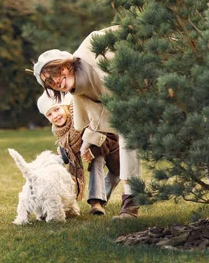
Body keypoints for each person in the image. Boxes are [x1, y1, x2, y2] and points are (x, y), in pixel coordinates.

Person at [32, 26, 142, 219]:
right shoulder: (78, 95)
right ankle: (131, 204)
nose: (55, 81)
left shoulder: (90, 46)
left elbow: (128, 29)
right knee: (128, 141)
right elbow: (94, 120)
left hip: (150, 88)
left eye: (55, 73)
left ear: (65, 64)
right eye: (49, 82)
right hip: (130, 116)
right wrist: (85, 144)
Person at [37, 92, 120, 215]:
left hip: (112, 149)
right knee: (98, 164)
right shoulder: (59, 130)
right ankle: (96, 202)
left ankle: (101, 201)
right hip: (97, 155)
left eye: (56, 109)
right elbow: (71, 148)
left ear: (65, 106)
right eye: (49, 114)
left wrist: (92, 151)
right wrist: (64, 151)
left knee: (115, 176)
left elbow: (111, 136)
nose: (55, 115)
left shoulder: (83, 115)